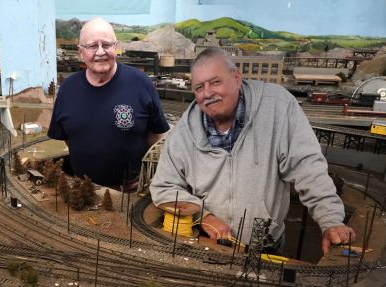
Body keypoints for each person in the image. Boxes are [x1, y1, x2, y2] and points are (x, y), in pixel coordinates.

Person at [150, 47, 355, 254]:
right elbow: (164, 186)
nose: (208, 93)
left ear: (237, 78)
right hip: (211, 246)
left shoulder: (277, 107)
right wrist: (204, 217)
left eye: (215, 82)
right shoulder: (185, 131)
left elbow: (307, 168)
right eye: (199, 87)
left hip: (266, 246)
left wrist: (331, 220)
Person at [48, 18, 170, 188]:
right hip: (82, 188)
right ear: (80, 52)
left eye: (106, 45)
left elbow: (155, 135)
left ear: (115, 47)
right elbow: (68, 137)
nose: (100, 52)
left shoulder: (141, 83)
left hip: (130, 191)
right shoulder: (68, 89)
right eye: (92, 46)